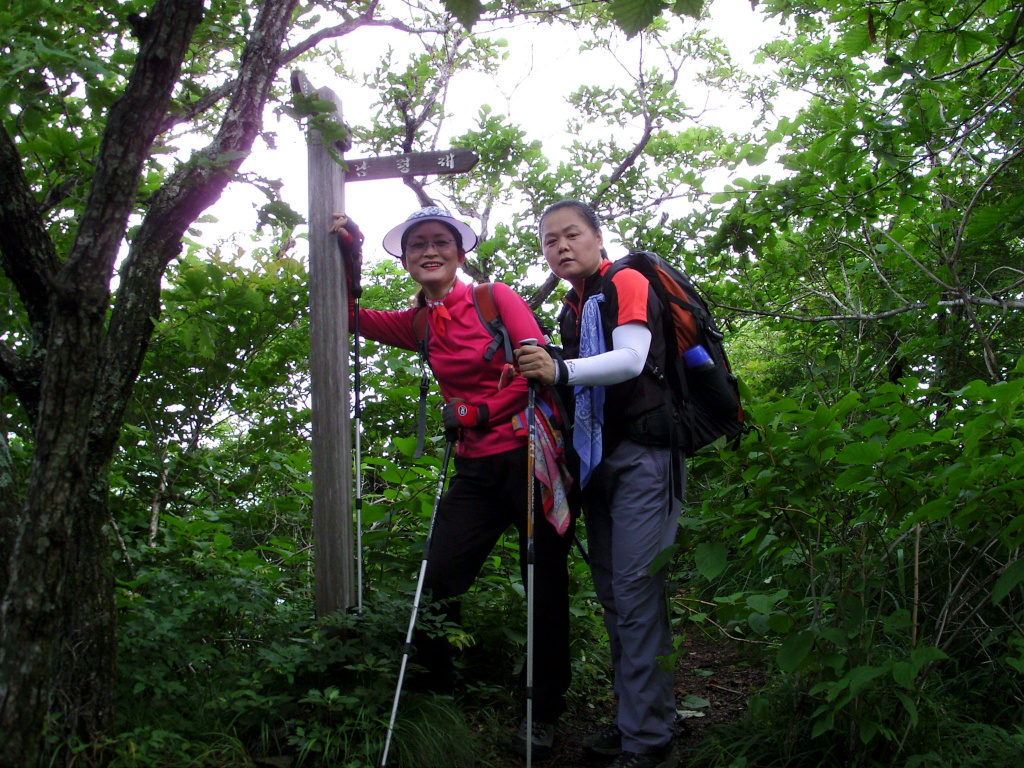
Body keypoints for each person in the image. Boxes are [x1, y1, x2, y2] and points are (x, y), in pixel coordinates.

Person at [331, 206, 575, 760]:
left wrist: (483, 410)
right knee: (439, 577)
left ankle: (542, 710)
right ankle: (439, 691)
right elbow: (346, 315)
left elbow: (536, 363)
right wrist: (352, 253)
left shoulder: (495, 298)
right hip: (474, 468)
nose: (429, 251)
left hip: (531, 456)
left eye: (440, 242)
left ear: (460, 254)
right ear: (408, 260)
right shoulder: (418, 322)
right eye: (417, 245)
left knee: (543, 580)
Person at [516, 200, 682, 768]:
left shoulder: (626, 281)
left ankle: (649, 741)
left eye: (571, 235)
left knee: (635, 595)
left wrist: (559, 369)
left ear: (596, 237)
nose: (560, 247)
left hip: (643, 459)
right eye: (549, 241)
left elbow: (631, 359)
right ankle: (636, 718)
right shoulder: (573, 305)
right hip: (599, 464)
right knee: (615, 595)